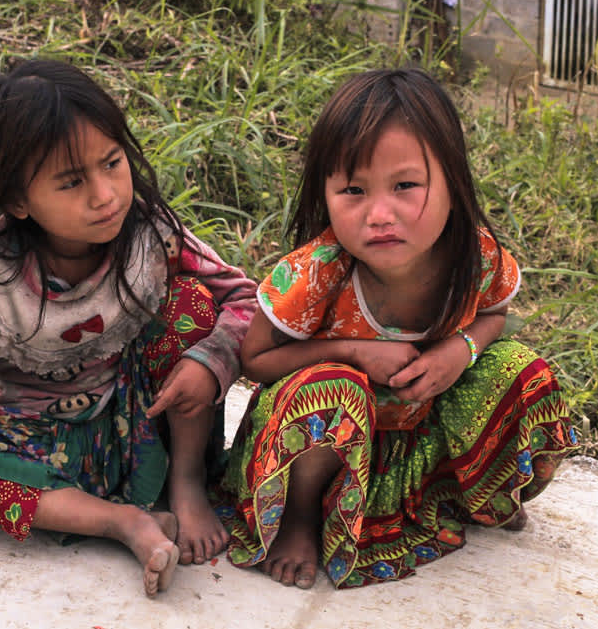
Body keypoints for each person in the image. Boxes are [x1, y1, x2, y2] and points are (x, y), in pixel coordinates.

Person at [0, 59, 257, 597]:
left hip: (150, 433)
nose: (105, 195)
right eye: (72, 182)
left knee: (192, 302)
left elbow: (244, 299)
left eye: (112, 163)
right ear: (16, 200)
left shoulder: (152, 236)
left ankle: (188, 488)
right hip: (44, 448)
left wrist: (208, 362)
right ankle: (122, 522)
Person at [218, 68, 578, 590]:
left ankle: (477, 490)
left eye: (405, 186)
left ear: (452, 182)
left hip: (415, 436)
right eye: (354, 190)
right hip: (317, 447)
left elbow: (495, 316)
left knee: (523, 372)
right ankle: (298, 517)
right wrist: (353, 353)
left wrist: (460, 349)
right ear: (325, 191)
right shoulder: (314, 272)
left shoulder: (473, 255)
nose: (379, 214)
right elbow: (256, 361)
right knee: (331, 389)